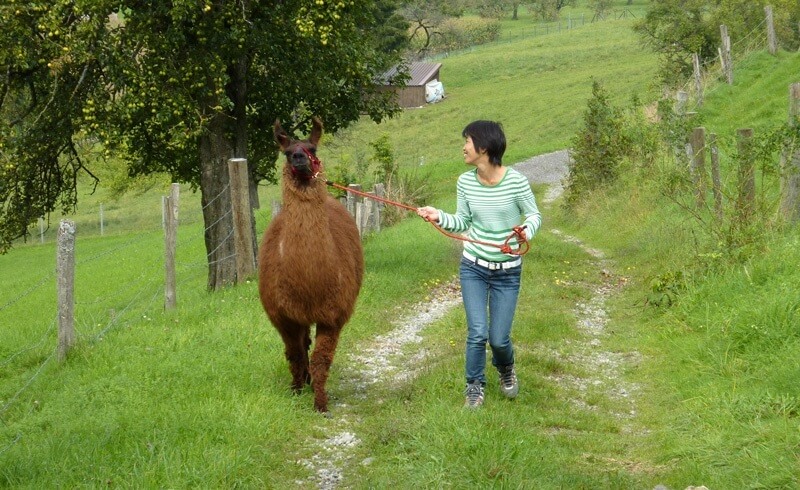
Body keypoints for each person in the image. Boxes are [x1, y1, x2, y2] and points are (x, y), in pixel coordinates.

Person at [417, 120, 541, 409]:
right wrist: (438, 215)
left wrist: (524, 231)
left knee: (498, 339)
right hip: (473, 267)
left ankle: (506, 368)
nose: (463, 147)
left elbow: (534, 215)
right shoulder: (465, 182)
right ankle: (474, 386)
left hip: (507, 272)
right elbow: (463, 221)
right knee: (477, 333)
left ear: (483, 147)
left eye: (467, 142)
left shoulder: (516, 181)